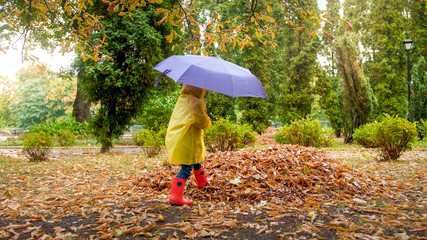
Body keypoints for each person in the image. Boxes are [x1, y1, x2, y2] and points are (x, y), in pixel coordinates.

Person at [165, 84, 212, 206]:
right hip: (187, 140)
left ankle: (202, 181)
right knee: (186, 168)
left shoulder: (183, 99)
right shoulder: (195, 102)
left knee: (196, 161)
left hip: (183, 137)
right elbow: (203, 123)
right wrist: (206, 115)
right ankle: (176, 197)